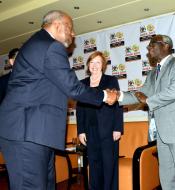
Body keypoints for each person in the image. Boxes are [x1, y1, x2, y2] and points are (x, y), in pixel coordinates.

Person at [0, 10, 117, 190]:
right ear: (57, 25)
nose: (73, 33)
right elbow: (73, 87)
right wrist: (105, 95)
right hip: (26, 133)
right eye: (70, 28)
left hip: (36, 133)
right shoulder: (50, 46)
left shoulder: (38, 44)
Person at [118, 35, 175, 190]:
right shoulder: (152, 73)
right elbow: (139, 95)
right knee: (167, 179)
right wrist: (117, 96)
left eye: (152, 45)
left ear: (165, 46)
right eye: (148, 46)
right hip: (161, 133)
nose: (148, 49)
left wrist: (148, 101)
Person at [76, 51, 123, 190]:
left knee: (109, 166)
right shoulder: (82, 83)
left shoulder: (111, 81)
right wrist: (81, 131)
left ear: (103, 65)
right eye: (92, 62)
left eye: (98, 62)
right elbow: (80, 109)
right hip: (90, 130)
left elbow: (118, 104)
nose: (94, 65)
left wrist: (118, 128)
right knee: (94, 166)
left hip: (108, 130)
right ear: (88, 65)